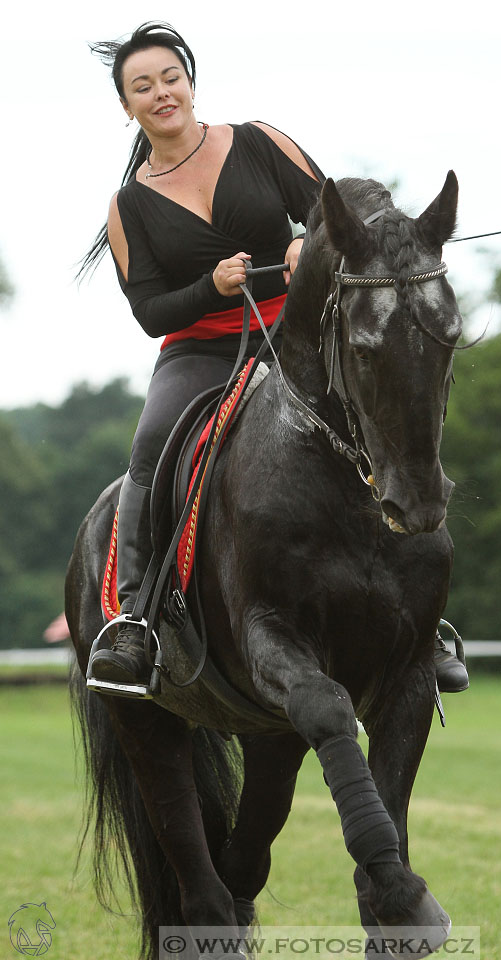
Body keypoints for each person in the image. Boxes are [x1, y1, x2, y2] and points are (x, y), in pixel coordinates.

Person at [81, 21, 468, 695]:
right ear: (126, 107)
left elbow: (336, 217)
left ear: (190, 82)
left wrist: (307, 246)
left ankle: (423, 622)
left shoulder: (257, 142)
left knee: (378, 418)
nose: (161, 93)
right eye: (143, 86)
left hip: (292, 333)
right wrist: (213, 287)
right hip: (199, 349)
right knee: (148, 447)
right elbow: (150, 314)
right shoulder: (128, 205)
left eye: (170, 77)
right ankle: (136, 622)